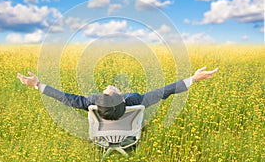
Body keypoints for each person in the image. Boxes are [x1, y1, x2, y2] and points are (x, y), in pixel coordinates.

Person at [17, 66, 218, 120]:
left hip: (102, 137)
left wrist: (38, 84)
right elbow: (165, 92)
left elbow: (65, 98)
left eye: (108, 89)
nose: (110, 86)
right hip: (129, 135)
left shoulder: (91, 102)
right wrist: (193, 78)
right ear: (122, 98)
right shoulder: (134, 100)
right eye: (111, 89)